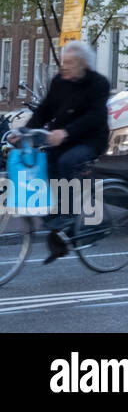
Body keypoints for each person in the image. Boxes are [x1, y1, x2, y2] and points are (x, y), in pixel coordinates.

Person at [3, 40, 110, 264]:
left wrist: (67, 132)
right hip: (61, 139)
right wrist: (24, 133)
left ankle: (70, 219)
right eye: (64, 62)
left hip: (91, 139)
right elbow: (44, 110)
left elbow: (95, 117)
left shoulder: (99, 84)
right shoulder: (59, 81)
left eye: (70, 63)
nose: (65, 66)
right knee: (46, 165)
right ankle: (60, 228)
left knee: (68, 163)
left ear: (83, 64)